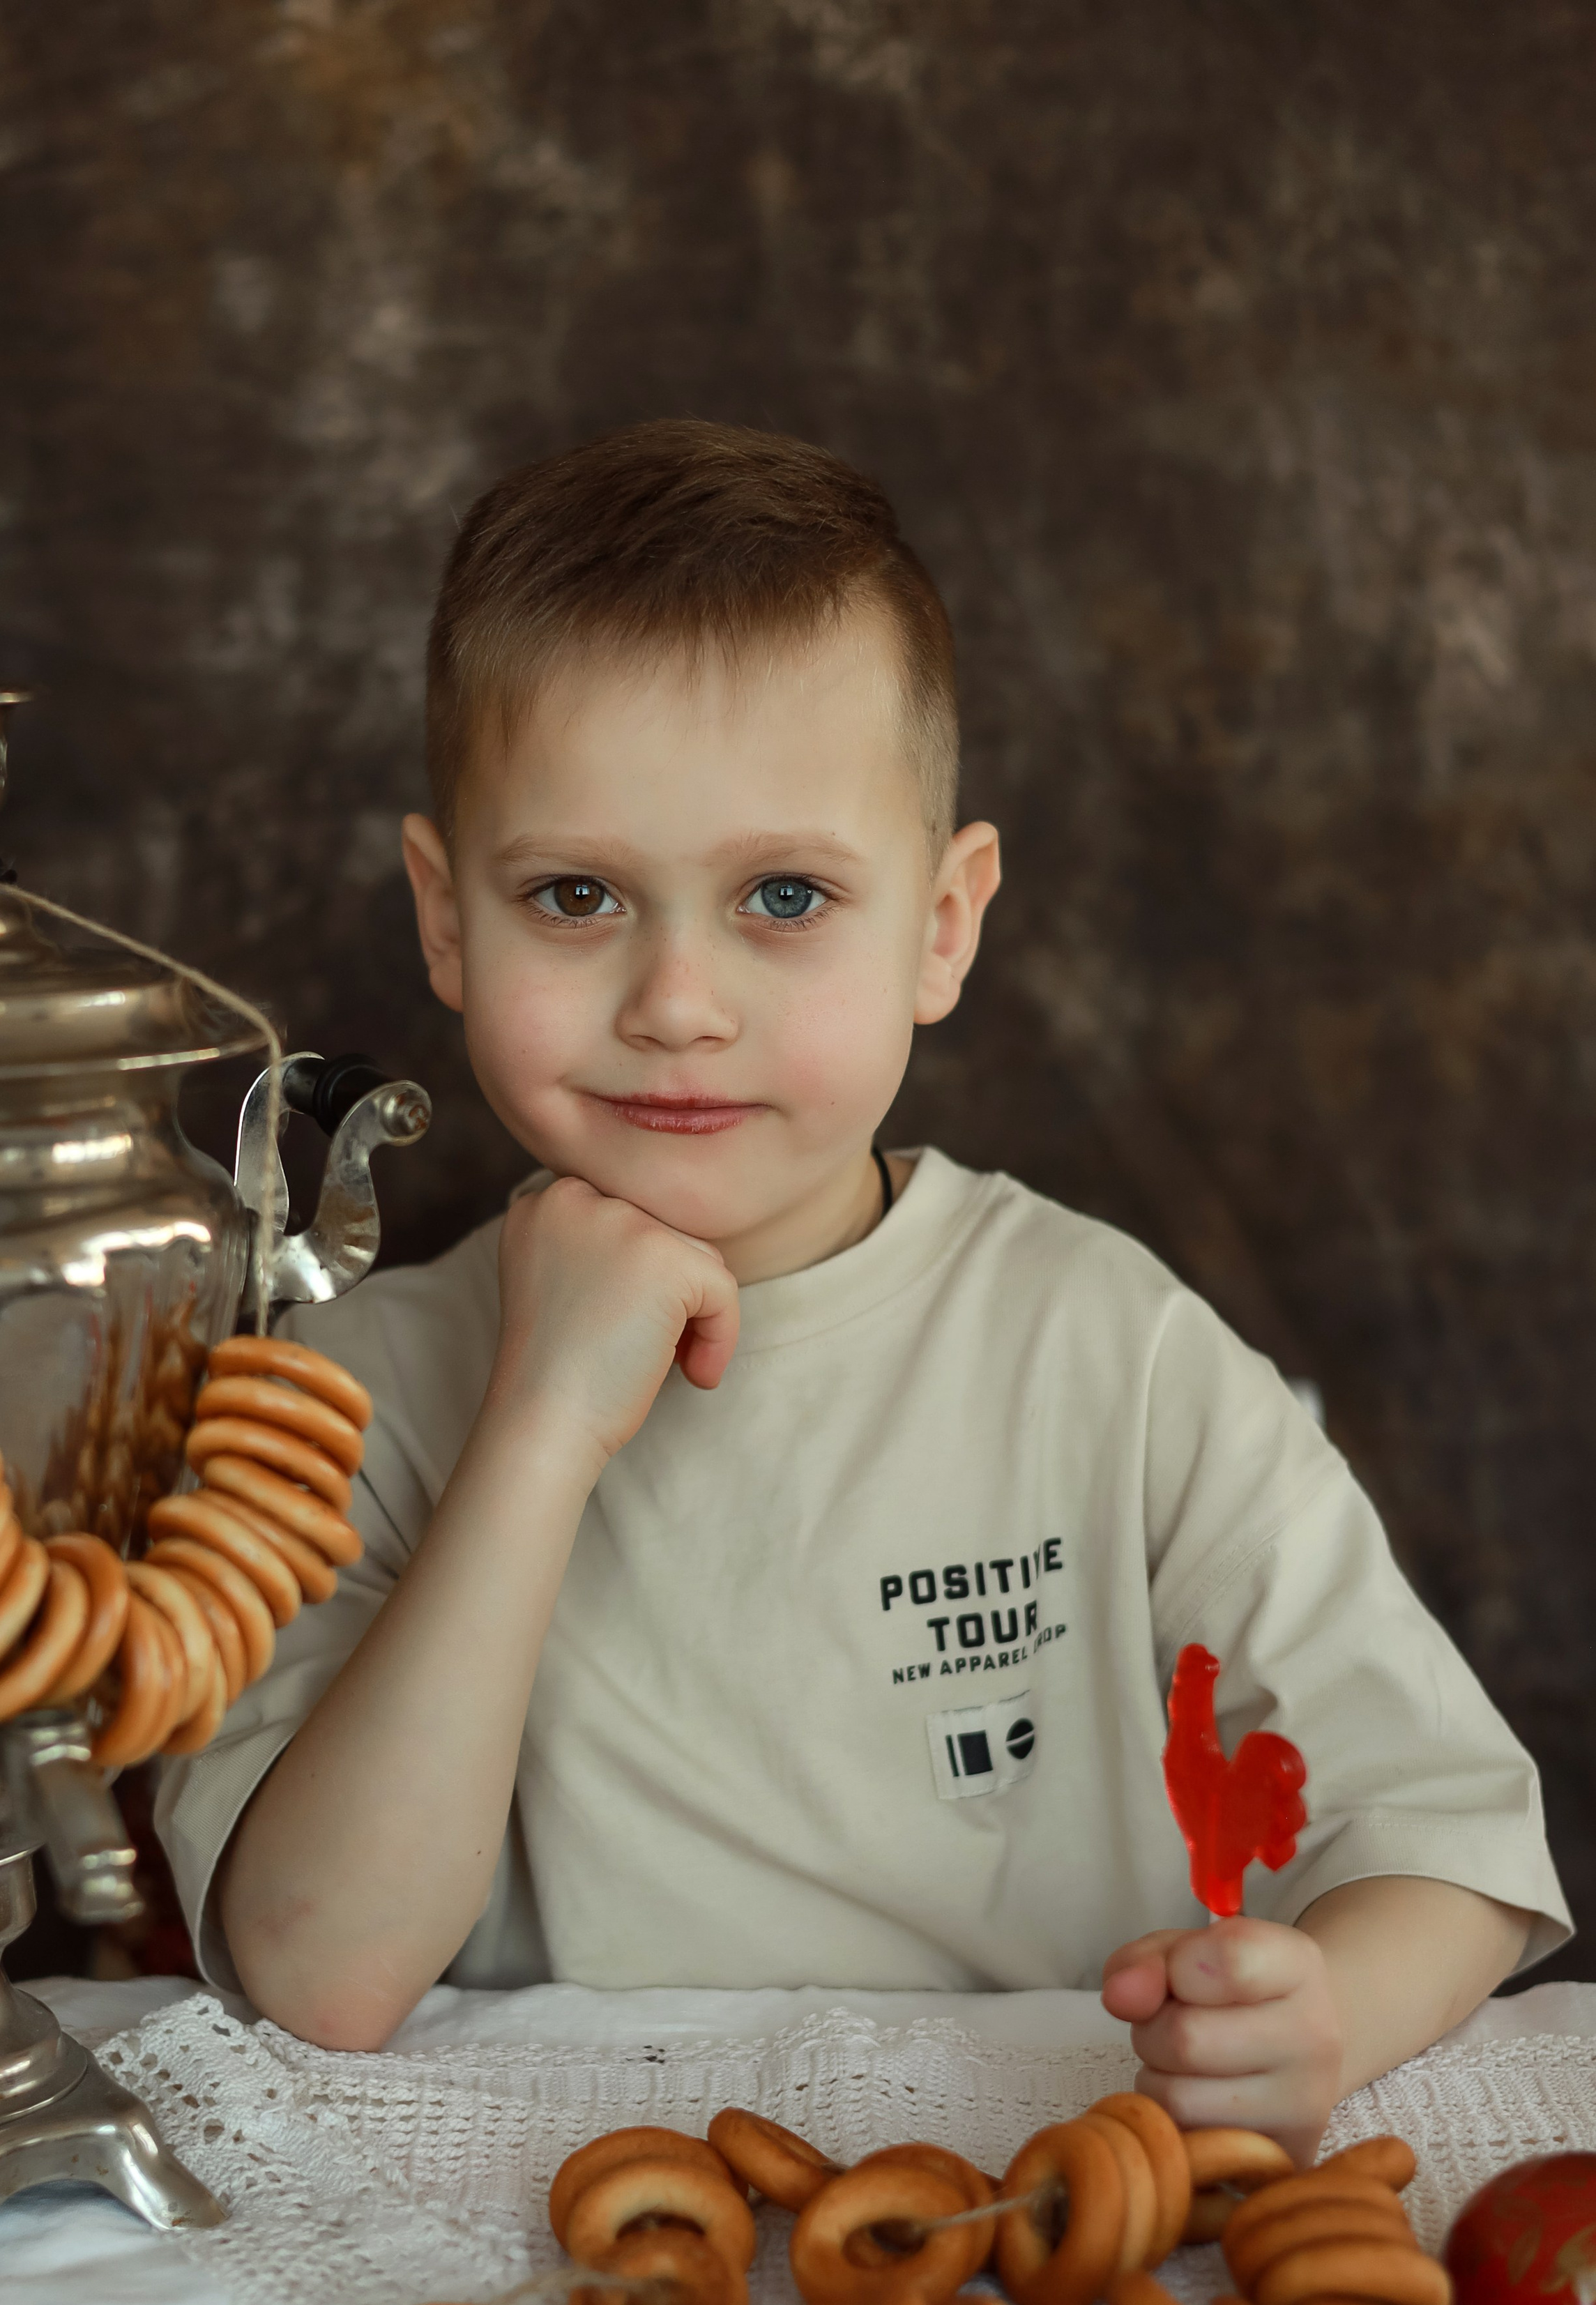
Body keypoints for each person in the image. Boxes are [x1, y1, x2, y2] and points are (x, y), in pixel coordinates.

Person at [157, 420, 1567, 2157]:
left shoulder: (1104, 1350)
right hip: (544, 2214)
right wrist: (537, 1427)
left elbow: (1450, 1839)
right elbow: (321, 1973)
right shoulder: (341, 1393)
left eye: (783, 896)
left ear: (942, 925)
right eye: (576, 895)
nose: (678, 999)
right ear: (448, 923)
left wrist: (1326, 2014)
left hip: (1033, 2200)